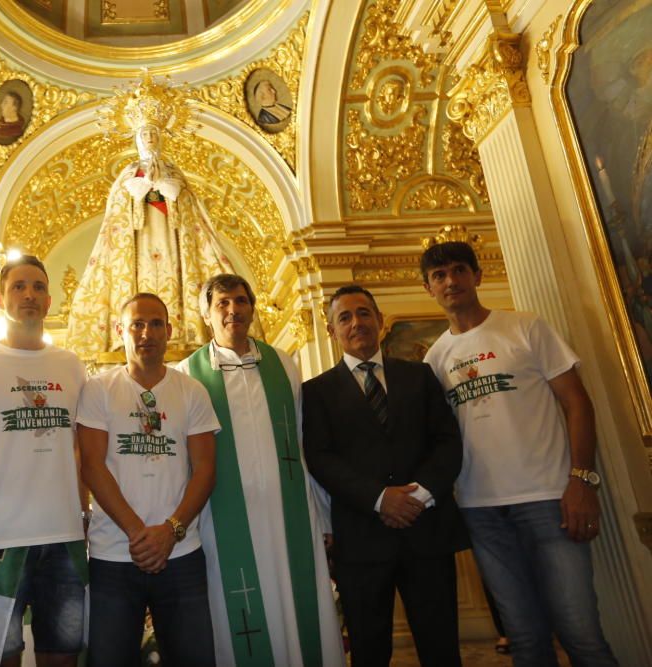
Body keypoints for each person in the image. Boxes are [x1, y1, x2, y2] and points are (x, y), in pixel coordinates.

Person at [420, 241, 618, 667]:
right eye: (439, 276)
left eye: (458, 270)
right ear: (429, 288)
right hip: (481, 511)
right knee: (526, 641)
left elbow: (577, 403)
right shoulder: (435, 359)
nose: (451, 281)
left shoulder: (525, 327)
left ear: (477, 275)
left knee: (581, 636)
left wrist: (581, 480)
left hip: (549, 500)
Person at [177, 273, 346, 667]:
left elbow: (304, 443)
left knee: (297, 601)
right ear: (206, 313)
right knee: (239, 612)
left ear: (252, 308)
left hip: (290, 516)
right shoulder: (187, 375)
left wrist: (321, 516)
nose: (232, 310)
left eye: (240, 301)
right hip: (221, 519)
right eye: (222, 303)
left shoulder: (283, 365)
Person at [302, 285, 468, 667]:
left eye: (363, 313)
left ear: (379, 320)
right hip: (361, 541)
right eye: (344, 317)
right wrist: (380, 498)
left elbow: (447, 442)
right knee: (370, 650)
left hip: (426, 532)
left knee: (441, 646)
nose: (356, 323)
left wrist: (418, 496)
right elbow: (321, 458)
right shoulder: (315, 392)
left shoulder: (420, 375)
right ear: (331, 331)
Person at [0, 255, 88, 667]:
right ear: (0, 299)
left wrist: (83, 509)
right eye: (19, 286)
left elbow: (81, 446)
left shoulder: (70, 366)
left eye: (37, 287)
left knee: (63, 654)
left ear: (50, 301)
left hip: (63, 535)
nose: (29, 294)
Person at [77, 292, 218, 667]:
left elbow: (205, 468)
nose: (146, 332)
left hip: (181, 554)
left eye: (156, 323)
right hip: (113, 555)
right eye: (137, 324)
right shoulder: (98, 389)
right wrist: (140, 533)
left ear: (169, 330)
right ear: (121, 330)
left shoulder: (192, 391)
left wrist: (170, 532)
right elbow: (92, 464)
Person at [66, 73, 235, 360]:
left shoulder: (174, 173)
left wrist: (165, 187)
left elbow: (188, 210)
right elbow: (117, 213)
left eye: (153, 134)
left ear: (161, 139)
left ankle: (180, 328)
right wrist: (142, 186)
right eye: (144, 134)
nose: (149, 138)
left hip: (172, 240)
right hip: (136, 242)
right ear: (136, 139)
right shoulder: (127, 175)